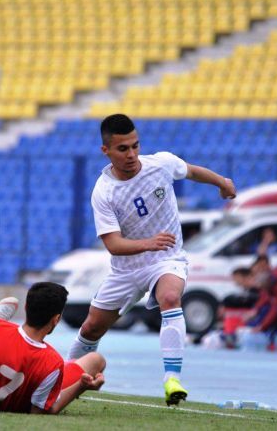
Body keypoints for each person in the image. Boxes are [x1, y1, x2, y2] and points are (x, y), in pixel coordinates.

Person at [66, 114, 236, 406]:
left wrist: (222, 182)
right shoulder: (103, 192)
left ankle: (172, 380)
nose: (132, 154)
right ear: (105, 150)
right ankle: (65, 375)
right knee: (92, 328)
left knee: (170, 296)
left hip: (166, 259)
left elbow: (191, 171)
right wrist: (148, 243)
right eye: (123, 149)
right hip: (127, 269)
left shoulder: (161, 164)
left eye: (135, 146)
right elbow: (113, 245)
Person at [0, 283, 106, 414]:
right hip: (27, 393)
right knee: (96, 360)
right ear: (56, 319)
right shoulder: (52, 361)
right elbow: (41, 411)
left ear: (26, 307)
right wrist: (81, 386)